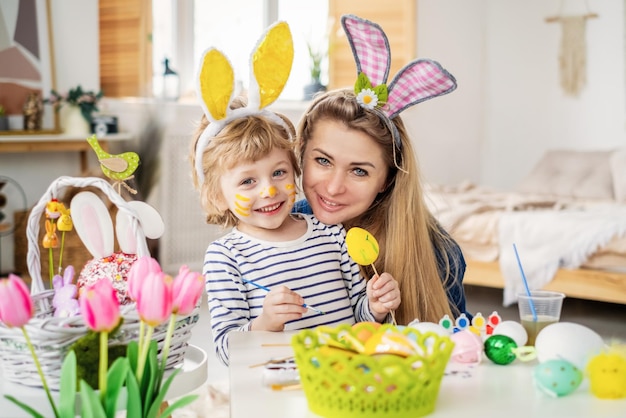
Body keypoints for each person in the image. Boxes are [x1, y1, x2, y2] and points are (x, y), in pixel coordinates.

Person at [190, 22, 400, 366]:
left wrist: (374, 307)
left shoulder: (331, 234)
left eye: (278, 172)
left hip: (341, 377)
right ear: (216, 196)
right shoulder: (225, 257)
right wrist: (265, 323)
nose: (269, 190)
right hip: (278, 388)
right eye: (247, 182)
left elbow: (358, 317)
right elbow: (228, 350)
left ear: (295, 169)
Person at [293, 14, 470, 325]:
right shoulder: (284, 227)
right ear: (302, 152)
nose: (334, 187)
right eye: (323, 161)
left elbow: (460, 343)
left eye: (359, 171)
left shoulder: (438, 254)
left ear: (387, 179)